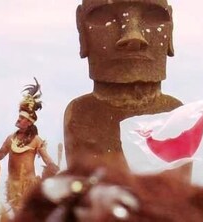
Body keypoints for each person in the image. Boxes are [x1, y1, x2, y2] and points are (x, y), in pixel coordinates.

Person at [64, 0, 182, 172]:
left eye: (153, 16)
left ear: (171, 29)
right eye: (104, 16)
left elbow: (175, 194)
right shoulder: (80, 114)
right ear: (81, 28)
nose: (133, 36)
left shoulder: (176, 116)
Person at [0, 80, 59, 214]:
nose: (19, 119)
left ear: (29, 123)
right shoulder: (11, 138)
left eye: (22, 118)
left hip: (29, 185)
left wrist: (52, 166)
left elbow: (46, 159)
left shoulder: (36, 140)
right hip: (13, 185)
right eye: (19, 116)